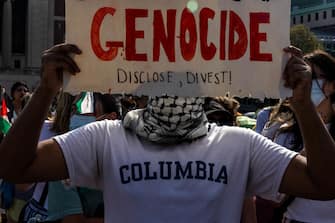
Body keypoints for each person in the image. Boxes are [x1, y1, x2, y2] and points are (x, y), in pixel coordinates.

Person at [1, 44, 335, 222]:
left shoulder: (239, 145)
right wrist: (45, 92)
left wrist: (303, 106)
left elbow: (325, 183)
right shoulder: (107, 138)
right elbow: (15, 168)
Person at [282, 50, 335, 223]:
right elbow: (273, 194)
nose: (305, 83)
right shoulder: (283, 131)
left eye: (312, 77)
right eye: (299, 77)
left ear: (332, 85)